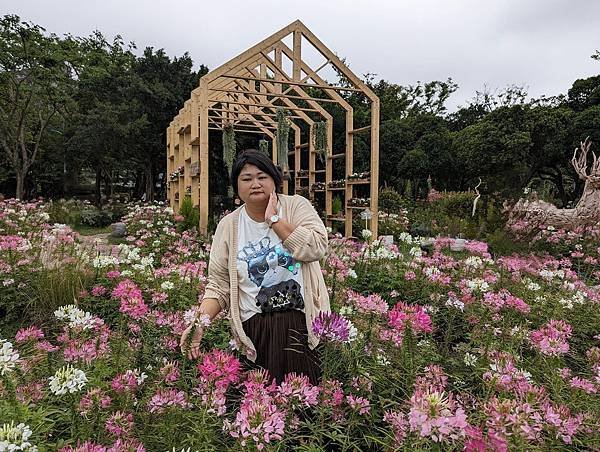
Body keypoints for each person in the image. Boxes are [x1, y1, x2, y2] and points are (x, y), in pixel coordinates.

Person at [180, 149, 330, 384]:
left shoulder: (296, 206)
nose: (255, 184)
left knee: (302, 401)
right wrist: (199, 323)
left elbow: (317, 247)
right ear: (237, 188)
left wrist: (274, 220)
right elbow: (219, 285)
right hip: (255, 328)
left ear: (274, 180)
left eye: (262, 176)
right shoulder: (229, 225)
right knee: (257, 402)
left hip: (299, 323)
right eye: (246, 178)